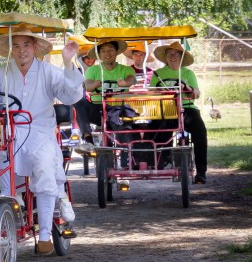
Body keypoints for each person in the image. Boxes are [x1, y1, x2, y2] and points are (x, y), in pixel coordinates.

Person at [0, 29, 84, 255]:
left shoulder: (48, 71)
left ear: (35, 47)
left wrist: (68, 63)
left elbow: (71, 96)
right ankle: (11, 212)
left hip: (40, 132)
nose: (21, 50)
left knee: (46, 166)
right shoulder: (0, 74)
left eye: (26, 45)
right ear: (10, 50)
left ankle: (46, 235)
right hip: (9, 131)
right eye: (16, 46)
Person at [149, 42, 209, 184]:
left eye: (176, 53)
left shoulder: (188, 73)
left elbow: (196, 93)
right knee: (152, 128)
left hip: (186, 108)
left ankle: (201, 171)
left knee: (200, 132)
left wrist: (186, 87)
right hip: (164, 109)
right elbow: (151, 93)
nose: (172, 56)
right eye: (169, 53)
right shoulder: (158, 74)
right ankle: (159, 161)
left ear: (182, 57)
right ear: (165, 57)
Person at [82, 39, 136, 137]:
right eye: (103, 50)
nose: (107, 53)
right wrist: (94, 85)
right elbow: (88, 86)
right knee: (79, 102)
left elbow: (131, 79)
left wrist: (125, 83)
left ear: (116, 52)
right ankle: (87, 137)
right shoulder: (92, 70)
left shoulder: (127, 69)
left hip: (121, 108)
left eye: (111, 49)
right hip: (98, 108)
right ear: (99, 54)